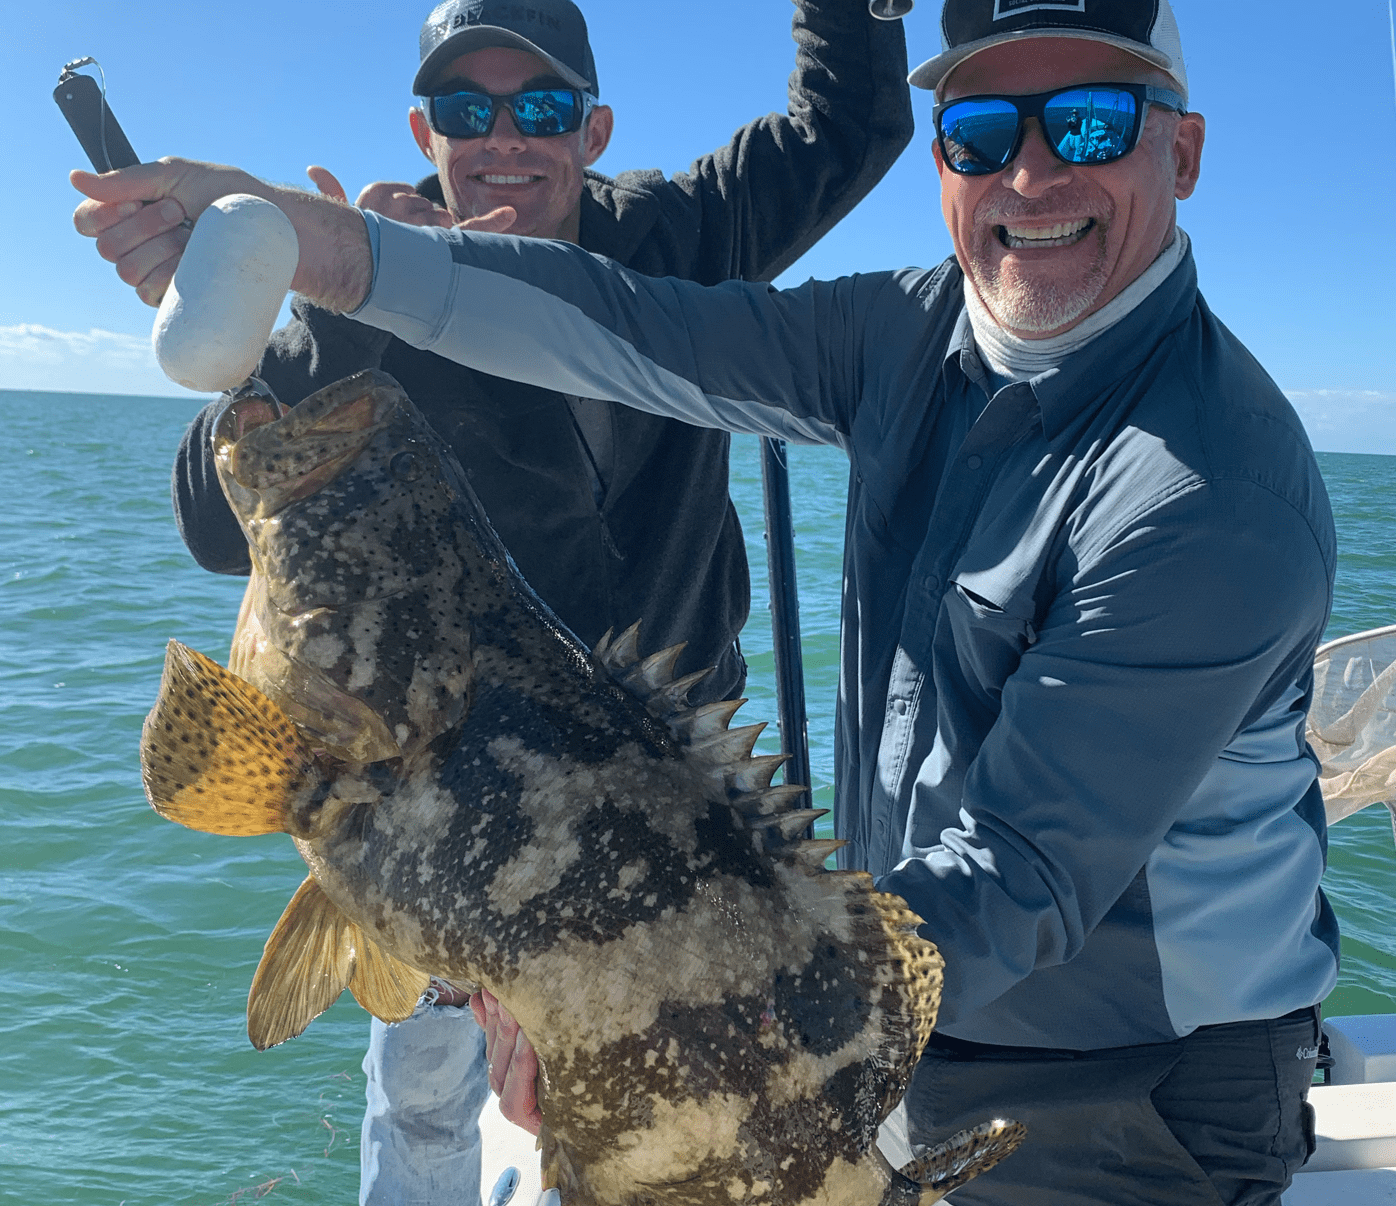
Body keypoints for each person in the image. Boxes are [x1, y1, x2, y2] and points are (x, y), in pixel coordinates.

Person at [72, 0, 1341, 1202]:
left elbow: (1019, 878)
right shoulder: (906, 335)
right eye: (981, 132)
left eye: (1092, 126)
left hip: (1135, 1087)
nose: (1030, 176)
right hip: (886, 1029)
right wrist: (312, 245)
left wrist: (629, 996)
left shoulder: (1207, 492)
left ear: (1182, 151)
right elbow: (637, 331)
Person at [88, 2, 913, 1203]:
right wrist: (311, 300)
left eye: (541, 108)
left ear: (593, 128)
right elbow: (222, 524)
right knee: (424, 1098)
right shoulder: (362, 284)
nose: (504, 141)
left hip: (666, 799)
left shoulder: (679, 237)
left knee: (738, 1082)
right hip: (450, 816)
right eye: (469, 112)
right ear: (426, 129)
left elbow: (849, 122)